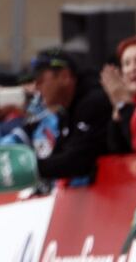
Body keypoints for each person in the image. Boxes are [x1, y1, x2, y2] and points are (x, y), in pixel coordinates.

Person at [31, 47, 113, 180]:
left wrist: (31, 168)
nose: (36, 87)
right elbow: (60, 154)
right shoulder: (68, 109)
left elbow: (79, 160)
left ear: (64, 76)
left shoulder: (95, 102)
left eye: (41, 80)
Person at [102, 35, 136, 154]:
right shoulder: (129, 103)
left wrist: (124, 104)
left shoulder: (127, 105)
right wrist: (118, 106)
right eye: (126, 63)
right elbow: (117, 148)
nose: (132, 69)